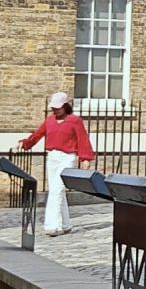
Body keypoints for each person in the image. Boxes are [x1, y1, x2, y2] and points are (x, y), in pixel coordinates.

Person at [17, 91, 95, 236]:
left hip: (67, 157)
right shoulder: (49, 120)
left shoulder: (75, 120)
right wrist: (25, 143)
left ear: (66, 106)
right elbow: (37, 135)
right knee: (56, 190)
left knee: (56, 190)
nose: (55, 110)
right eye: (53, 107)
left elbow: (82, 139)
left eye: (58, 107)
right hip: (52, 157)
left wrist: (85, 158)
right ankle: (65, 224)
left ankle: (52, 225)